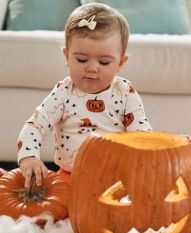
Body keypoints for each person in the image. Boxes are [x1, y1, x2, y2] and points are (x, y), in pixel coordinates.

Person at [17, 3, 152, 188]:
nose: (92, 67)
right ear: (66, 56)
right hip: (70, 177)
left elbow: (141, 132)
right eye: (81, 59)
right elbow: (36, 125)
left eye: (104, 62)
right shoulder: (63, 93)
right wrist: (28, 156)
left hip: (117, 181)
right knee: (57, 208)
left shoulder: (125, 93)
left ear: (120, 63)